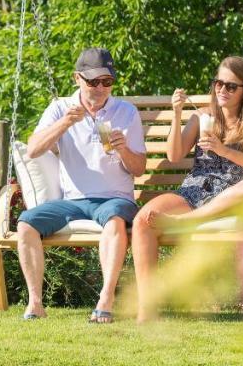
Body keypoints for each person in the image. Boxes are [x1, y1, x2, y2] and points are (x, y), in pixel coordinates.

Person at [131, 55, 243, 322]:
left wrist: (223, 151)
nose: (222, 90)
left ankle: (182, 222)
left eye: (231, 86)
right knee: (142, 221)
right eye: (218, 83)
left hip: (235, 192)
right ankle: (147, 307)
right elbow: (174, 155)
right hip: (195, 190)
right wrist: (176, 114)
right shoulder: (202, 117)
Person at [16, 47, 146, 322]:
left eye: (107, 81)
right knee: (26, 223)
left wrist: (123, 150)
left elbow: (139, 168)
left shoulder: (125, 112)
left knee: (114, 222)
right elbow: (33, 149)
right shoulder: (61, 108)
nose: (100, 88)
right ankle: (36, 303)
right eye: (93, 81)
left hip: (114, 199)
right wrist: (64, 123)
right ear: (77, 79)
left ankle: (105, 299)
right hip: (73, 200)